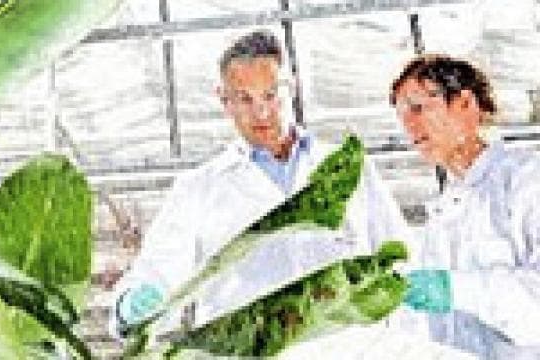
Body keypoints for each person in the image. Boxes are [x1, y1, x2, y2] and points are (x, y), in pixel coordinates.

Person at [107, 31, 463, 358]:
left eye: (270, 95)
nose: (261, 111)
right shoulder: (198, 189)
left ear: (290, 88)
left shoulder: (346, 168)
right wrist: (130, 306)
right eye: (244, 99)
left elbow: (399, 256)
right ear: (224, 101)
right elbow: (156, 273)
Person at [389, 54, 540, 359]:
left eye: (418, 107)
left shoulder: (526, 179)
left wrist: (455, 290)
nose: (409, 124)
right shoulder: (444, 211)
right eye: (402, 114)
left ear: (466, 104)